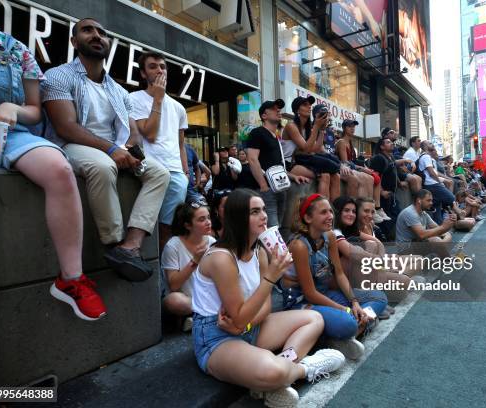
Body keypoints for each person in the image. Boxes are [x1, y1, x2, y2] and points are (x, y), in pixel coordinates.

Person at [0, 3, 106, 320]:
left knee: (59, 168)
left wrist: (13, 109)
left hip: (11, 135)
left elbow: (34, 111)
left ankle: (71, 279)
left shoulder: (16, 50)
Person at [42, 18, 170, 282]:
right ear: (74, 42)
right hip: (72, 145)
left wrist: (132, 151)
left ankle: (130, 246)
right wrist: (112, 149)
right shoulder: (57, 75)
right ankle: (112, 243)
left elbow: (132, 130)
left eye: (102, 32)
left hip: (114, 149)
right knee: (102, 166)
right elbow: (65, 127)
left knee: (159, 173)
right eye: (88, 30)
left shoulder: (119, 90)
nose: (97, 35)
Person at [192, 189, 345, 406]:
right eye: (255, 211)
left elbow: (264, 307)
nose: (264, 216)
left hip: (249, 326)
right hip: (217, 337)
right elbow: (238, 317)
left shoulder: (260, 252)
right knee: (272, 371)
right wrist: (271, 278)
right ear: (237, 218)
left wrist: (244, 326)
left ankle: (277, 375)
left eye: (263, 209)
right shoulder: (221, 258)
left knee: (314, 318)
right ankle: (304, 369)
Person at [283, 194, 388, 360]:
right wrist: (345, 309)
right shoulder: (299, 245)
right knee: (348, 322)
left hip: (325, 294)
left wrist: (354, 302)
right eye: (323, 213)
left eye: (330, 212)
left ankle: (352, 331)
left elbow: (339, 274)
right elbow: (309, 293)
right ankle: (349, 330)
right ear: (308, 218)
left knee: (380, 297)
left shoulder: (329, 236)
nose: (330, 216)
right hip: (302, 302)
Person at [129, 52, 190, 252]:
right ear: (143, 74)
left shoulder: (179, 108)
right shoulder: (134, 98)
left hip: (176, 174)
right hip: (149, 169)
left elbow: (181, 144)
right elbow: (150, 134)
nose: (159, 70)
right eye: (153, 66)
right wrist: (157, 99)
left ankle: (166, 277)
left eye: (163, 66)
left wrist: (185, 172)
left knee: (170, 231)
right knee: (149, 228)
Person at [332, 197, 412, 303]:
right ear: (338, 212)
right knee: (368, 247)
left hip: (366, 273)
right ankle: (371, 296)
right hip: (341, 279)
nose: (351, 214)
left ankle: (379, 293)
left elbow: (378, 243)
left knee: (408, 276)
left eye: (353, 211)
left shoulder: (354, 229)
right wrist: (380, 264)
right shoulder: (334, 232)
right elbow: (353, 254)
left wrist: (381, 266)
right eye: (346, 210)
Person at [246, 99, 309, 228]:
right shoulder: (257, 133)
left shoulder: (275, 137)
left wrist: (293, 176)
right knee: (271, 229)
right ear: (264, 115)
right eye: (274, 109)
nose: (278, 111)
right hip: (266, 189)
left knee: (278, 227)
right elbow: (252, 159)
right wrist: (263, 185)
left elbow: (277, 166)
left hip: (280, 187)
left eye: (279, 109)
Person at [162, 202, 215, 332]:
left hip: (209, 298)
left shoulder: (213, 243)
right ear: (187, 225)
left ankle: (198, 319)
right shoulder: (173, 245)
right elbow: (173, 285)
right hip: (187, 300)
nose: (208, 222)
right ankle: (210, 317)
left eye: (208, 217)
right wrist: (195, 260)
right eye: (202, 219)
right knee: (173, 301)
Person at [281, 97, 341, 201]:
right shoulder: (291, 126)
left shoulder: (307, 128)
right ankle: (322, 210)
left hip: (302, 161)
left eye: (310, 105)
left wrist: (322, 130)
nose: (309, 107)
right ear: (297, 110)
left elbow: (316, 149)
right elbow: (306, 149)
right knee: (325, 175)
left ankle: (335, 210)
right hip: (290, 165)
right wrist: (317, 127)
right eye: (305, 104)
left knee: (336, 176)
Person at [335, 119, 389, 223]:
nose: (352, 128)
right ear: (344, 128)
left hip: (351, 168)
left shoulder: (350, 142)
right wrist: (362, 168)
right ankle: (361, 210)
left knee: (373, 177)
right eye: (350, 126)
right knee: (365, 178)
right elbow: (345, 162)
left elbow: (354, 161)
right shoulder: (341, 142)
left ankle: (374, 209)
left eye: (353, 126)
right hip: (343, 169)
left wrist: (364, 167)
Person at [395, 190, 456, 259]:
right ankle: (448, 259)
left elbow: (438, 229)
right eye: (428, 200)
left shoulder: (423, 213)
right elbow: (422, 235)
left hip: (416, 243)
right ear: (419, 201)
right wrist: (443, 228)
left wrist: (449, 223)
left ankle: (442, 253)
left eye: (431, 200)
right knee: (435, 240)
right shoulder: (410, 213)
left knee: (443, 237)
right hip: (405, 250)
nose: (431, 203)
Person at [417, 142, 455, 224]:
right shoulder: (426, 156)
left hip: (431, 184)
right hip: (432, 184)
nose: (432, 144)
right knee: (451, 198)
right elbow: (431, 172)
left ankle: (439, 227)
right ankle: (447, 209)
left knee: (437, 208)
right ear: (425, 147)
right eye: (430, 143)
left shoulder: (429, 158)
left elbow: (435, 172)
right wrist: (439, 182)